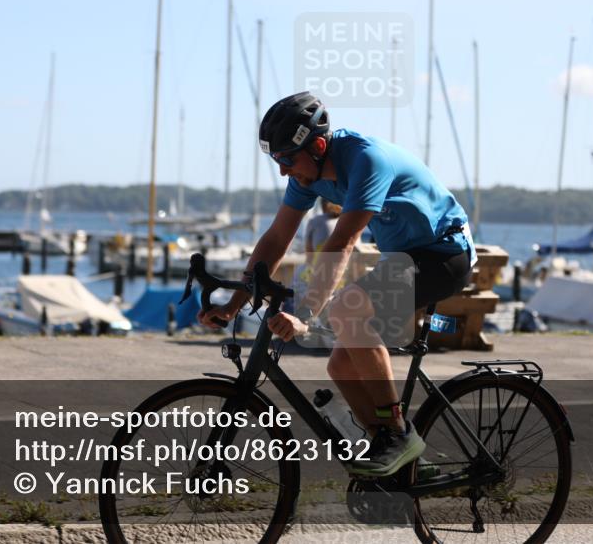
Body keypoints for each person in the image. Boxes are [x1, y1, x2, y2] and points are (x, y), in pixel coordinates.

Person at [198, 92, 475, 477]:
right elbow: (276, 239)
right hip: (404, 259)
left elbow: (341, 242)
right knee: (341, 364)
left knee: (347, 308)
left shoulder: (366, 161)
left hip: (444, 254)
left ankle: (397, 434)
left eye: (286, 160)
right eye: (276, 161)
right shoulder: (308, 175)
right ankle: (405, 465)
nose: (282, 171)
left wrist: (305, 316)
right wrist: (234, 303)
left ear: (319, 146)